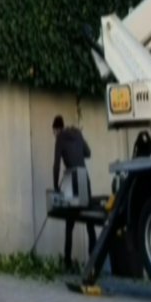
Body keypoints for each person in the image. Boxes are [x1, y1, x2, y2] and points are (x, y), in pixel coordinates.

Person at [52, 114, 97, 271]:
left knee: (69, 222)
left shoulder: (60, 138)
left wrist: (56, 187)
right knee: (89, 220)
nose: (54, 135)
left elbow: (56, 165)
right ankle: (94, 260)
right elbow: (88, 153)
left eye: (54, 132)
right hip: (85, 177)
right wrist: (77, 148)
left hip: (73, 178)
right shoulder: (77, 133)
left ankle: (67, 262)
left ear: (57, 129)